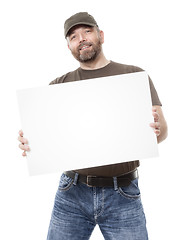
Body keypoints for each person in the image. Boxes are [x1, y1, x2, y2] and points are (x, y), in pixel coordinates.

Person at [18, 12, 168, 240]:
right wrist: (30, 143)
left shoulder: (133, 76)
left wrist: (157, 130)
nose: (82, 39)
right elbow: (46, 138)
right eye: (73, 36)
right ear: (69, 46)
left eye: (87, 31)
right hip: (72, 192)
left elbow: (162, 133)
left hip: (123, 193)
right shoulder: (58, 85)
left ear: (101, 35)